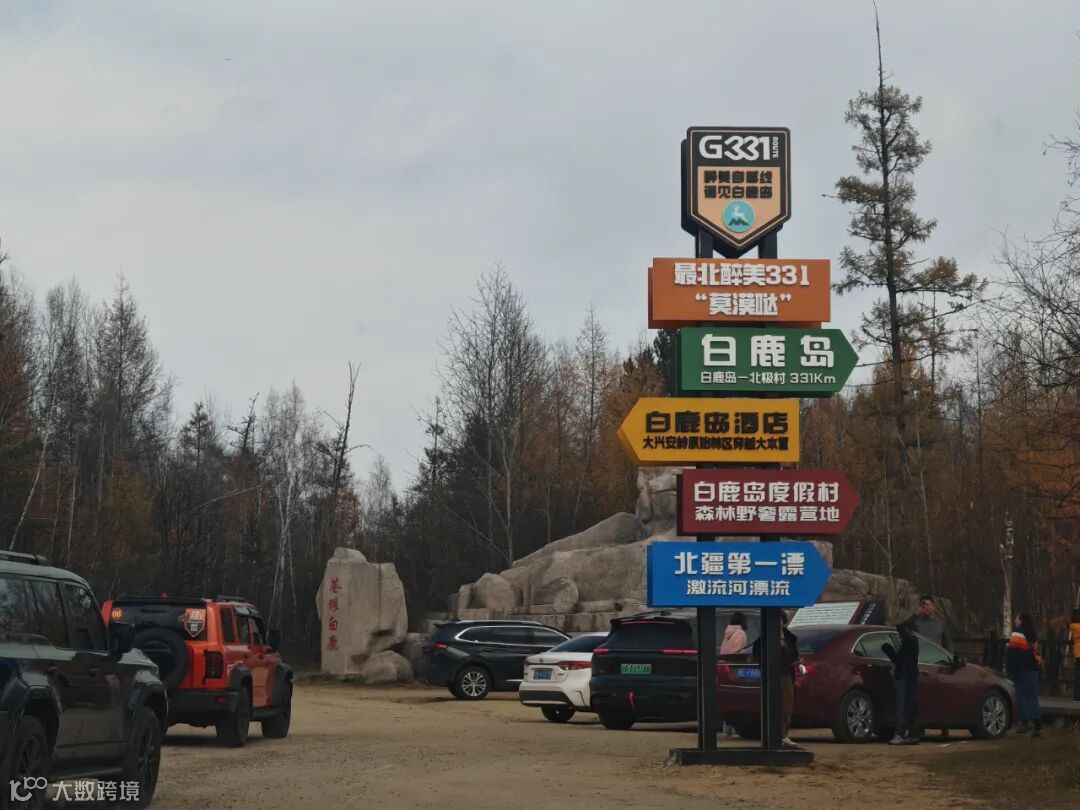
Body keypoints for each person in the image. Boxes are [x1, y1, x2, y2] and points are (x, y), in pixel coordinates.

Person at [909, 595, 952, 738]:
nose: (925, 607)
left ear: (933, 606)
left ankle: (944, 726)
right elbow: (904, 629)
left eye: (927, 604)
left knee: (941, 697)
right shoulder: (916, 622)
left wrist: (949, 660)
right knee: (921, 697)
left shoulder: (941, 622)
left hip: (938, 664)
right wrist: (914, 615)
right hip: (921, 664)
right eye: (922, 604)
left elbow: (947, 643)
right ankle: (920, 726)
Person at [882, 620, 920, 745]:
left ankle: (902, 734)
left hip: (905, 676)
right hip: (909, 675)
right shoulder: (912, 641)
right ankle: (912, 734)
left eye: (901, 632)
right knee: (909, 705)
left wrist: (888, 649)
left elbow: (899, 659)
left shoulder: (910, 641)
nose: (900, 635)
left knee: (904, 706)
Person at [1006, 612, 1042, 737]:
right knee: (1032, 696)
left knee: (1021, 696)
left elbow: (1012, 653)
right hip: (1032, 668)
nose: (1015, 620)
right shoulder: (1032, 633)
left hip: (1021, 668)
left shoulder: (1017, 633)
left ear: (1021, 620)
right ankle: (1037, 724)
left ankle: (1025, 722)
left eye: (1016, 618)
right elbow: (1034, 651)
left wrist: (1009, 670)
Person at [719, 612, 749, 736]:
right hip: (736, 667)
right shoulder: (741, 633)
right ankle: (736, 728)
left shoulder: (728, 633)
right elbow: (739, 651)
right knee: (739, 697)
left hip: (725, 665)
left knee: (729, 697)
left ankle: (726, 728)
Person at [1069, 609, 1080, 702]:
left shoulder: (1074, 626)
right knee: (1078, 675)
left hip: (1078, 651)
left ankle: (1077, 696)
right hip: (1079, 652)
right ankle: (1077, 696)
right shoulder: (1075, 626)